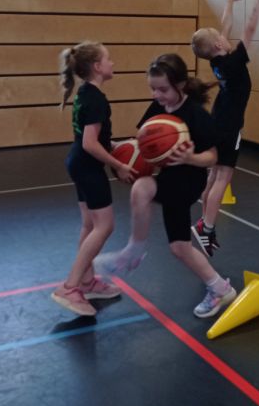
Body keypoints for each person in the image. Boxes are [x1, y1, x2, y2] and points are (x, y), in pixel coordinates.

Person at [94, 54, 238, 319]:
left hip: (188, 180)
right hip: (169, 177)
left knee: (142, 188)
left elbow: (213, 157)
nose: (157, 95)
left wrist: (190, 158)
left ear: (180, 85)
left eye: (163, 89)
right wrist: (119, 149)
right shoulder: (158, 108)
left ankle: (134, 251)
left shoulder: (196, 114)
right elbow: (144, 142)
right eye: (153, 89)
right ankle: (220, 288)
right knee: (180, 247)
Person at [53, 41, 134, 317]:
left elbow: (90, 139)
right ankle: (70, 287)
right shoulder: (97, 98)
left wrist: (115, 146)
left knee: (90, 225)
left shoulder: (85, 93)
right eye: (108, 59)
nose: (112, 63)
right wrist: (119, 165)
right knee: (105, 226)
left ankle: (87, 282)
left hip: (78, 162)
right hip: (88, 166)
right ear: (98, 67)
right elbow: (90, 143)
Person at [189, 0, 259, 256]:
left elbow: (225, 27)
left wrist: (229, 3)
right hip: (229, 124)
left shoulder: (218, 61)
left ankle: (203, 220)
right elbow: (250, 29)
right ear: (218, 45)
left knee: (214, 173)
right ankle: (207, 228)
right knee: (224, 176)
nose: (225, 35)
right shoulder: (233, 63)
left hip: (218, 118)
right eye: (220, 36)